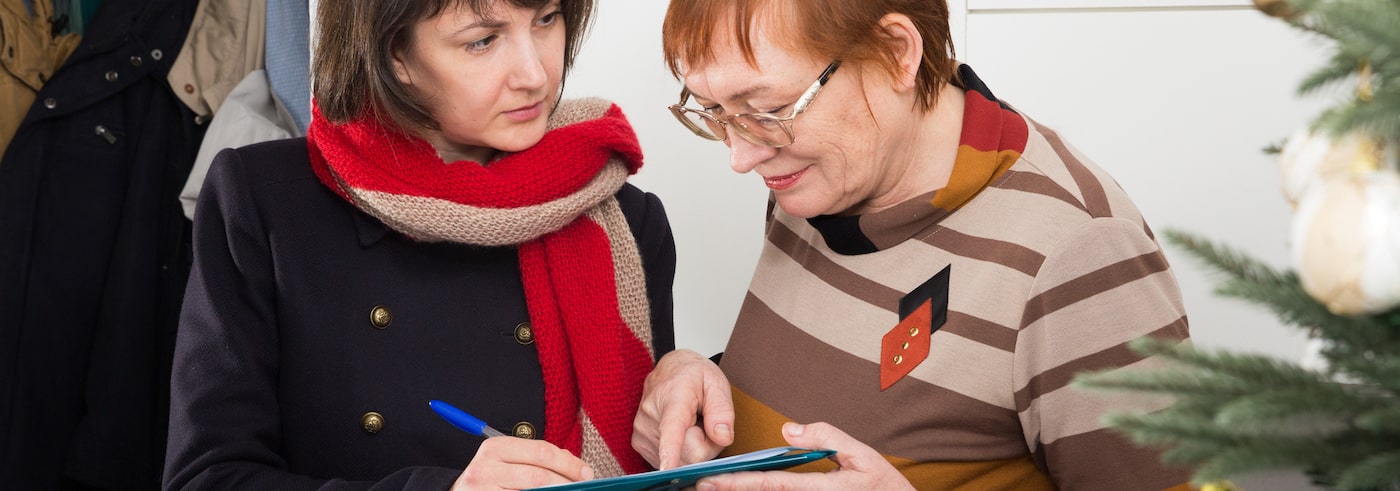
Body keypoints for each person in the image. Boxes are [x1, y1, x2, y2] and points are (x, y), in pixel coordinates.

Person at [631, 1, 1192, 490]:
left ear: (897, 52)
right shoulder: (816, 181)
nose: (740, 156)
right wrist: (701, 375)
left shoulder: (1081, 252)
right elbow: (845, 381)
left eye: (768, 110)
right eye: (713, 111)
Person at [163, 0, 676, 489]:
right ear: (395, 55)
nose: (535, 74)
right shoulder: (265, 200)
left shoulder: (625, 222)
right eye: (482, 40)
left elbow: (661, 463)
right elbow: (208, 477)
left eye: (546, 19)